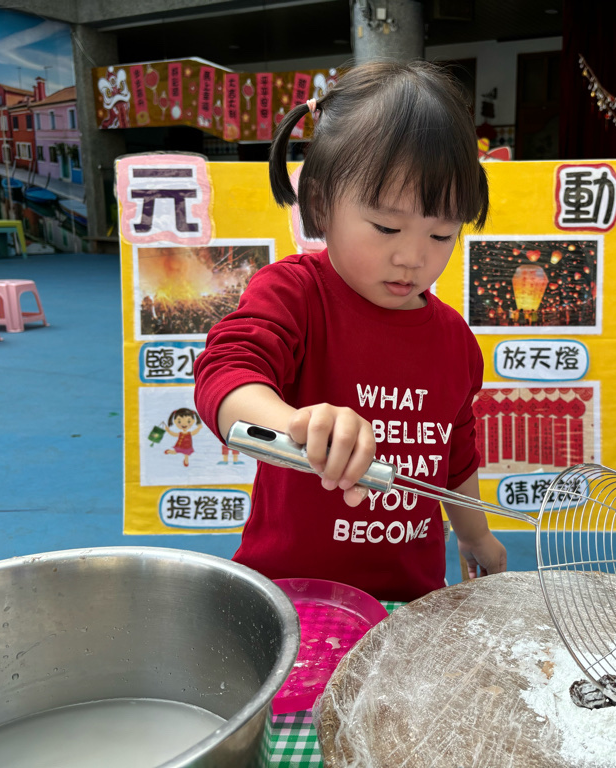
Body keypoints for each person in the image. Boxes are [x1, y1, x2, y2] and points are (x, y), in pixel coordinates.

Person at [194, 60, 507, 602]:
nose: (412, 257)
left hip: (412, 600)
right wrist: (296, 425)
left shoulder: (454, 339)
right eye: (386, 226)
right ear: (320, 204)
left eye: (441, 234)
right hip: (292, 595)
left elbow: (456, 451)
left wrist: (475, 534)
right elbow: (227, 373)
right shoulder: (295, 294)